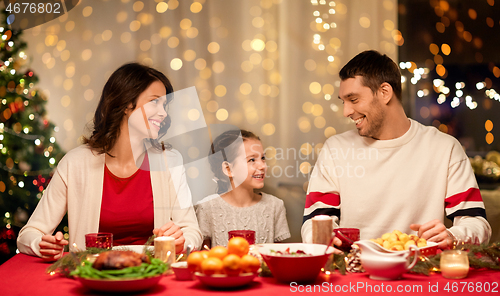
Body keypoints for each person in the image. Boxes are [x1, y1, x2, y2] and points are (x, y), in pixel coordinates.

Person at [302, 50, 492, 249]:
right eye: (344, 101)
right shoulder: (335, 149)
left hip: (420, 273)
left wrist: (454, 236)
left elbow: (477, 223)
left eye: (354, 99)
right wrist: (324, 238)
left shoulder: (445, 148)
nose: (346, 111)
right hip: (354, 273)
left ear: (385, 92)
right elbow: (314, 222)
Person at [17, 63, 202, 261]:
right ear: (126, 104)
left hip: (152, 272)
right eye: (155, 102)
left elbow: (192, 232)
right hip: (94, 276)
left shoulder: (170, 161)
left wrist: (183, 242)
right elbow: (28, 234)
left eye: (164, 105)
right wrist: (41, 244)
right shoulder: (75, 163)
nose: (164, 113)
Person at [195, 129, 290, 248]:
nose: (262, 166)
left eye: (263, 158)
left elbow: (278, 257)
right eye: (252, 160)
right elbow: (204, 260)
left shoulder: (275, 206)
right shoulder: (207, 208)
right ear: (228, 169)